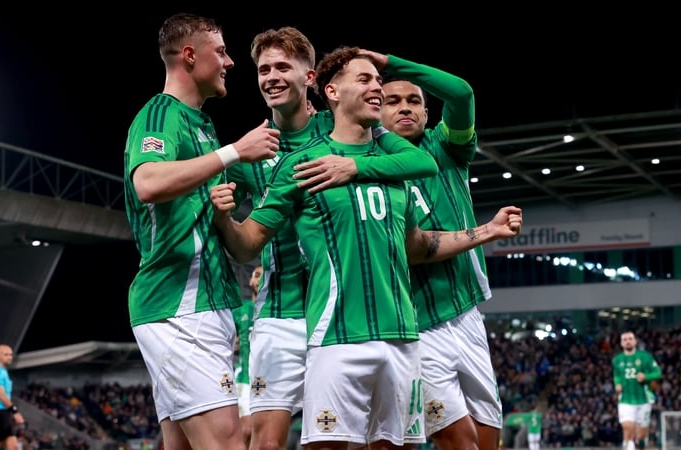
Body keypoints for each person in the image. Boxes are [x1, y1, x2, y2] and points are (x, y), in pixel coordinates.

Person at [212, 46, 521, 449]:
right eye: (369, 82)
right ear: (332, 92)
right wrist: (222, 216)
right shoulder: (301, 163)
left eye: (383, 84)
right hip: (339, 330)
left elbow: (417, 237)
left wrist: (486, 231)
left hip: (407, 333)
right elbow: (248, 240)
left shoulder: (402, 162)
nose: (379, 88)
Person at [225, 27, 443, 450]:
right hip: (282, 309)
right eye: (263, 69)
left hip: (349, 310)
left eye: (282, 67)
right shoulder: (255, 149)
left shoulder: (345, 127)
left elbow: (420, 161)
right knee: (268, 440)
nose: (271, 76)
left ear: (312, 81)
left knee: (361, 436)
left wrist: (353, 168)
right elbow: (243, 234)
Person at [122, 13, 280, 450]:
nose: (230, 61)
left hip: (205, 303)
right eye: (222, 51)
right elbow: (148, 182)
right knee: (229, 441)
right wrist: (235, 152)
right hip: (177, 304)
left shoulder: (203, 127)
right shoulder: (159, 114)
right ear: (190, 55)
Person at [358, 49, 522, 450]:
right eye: (392, 101)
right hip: (416, 323)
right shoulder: (370, 166)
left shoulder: (448, 150)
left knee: (488, 439)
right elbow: (413, 250)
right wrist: (486, 231)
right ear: (377, 112)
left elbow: (462, 93)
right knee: (457, 440)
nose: (405, 108)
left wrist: (390, 65)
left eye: (414, 101)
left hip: (467, 313)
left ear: (428, 114)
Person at [613, 330, 662, 450]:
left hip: (643, 398)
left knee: (641, 434)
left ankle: (641, 444)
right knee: (627, 428)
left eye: (630, 339)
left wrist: (646, 377)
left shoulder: (645, 357)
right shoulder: (617, 360)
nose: (628, 342)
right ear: (621, 343)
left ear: (635, 341)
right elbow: (617, 375)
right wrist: (617, 384)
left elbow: (658, 373)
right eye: (625, 340)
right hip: (625, 399)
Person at [234, 265, 260, 447]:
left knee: (260, 432)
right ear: (250, 280)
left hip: (265, 377)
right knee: (246, 429)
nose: (259, 279)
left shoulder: (273, 310)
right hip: (244, 376)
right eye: (257, 275)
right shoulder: (242, 309)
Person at [0, 344, 24, 450]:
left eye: (10, 354)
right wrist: (15, 411)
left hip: (5, 414)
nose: (9, 357)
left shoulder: (3, 371)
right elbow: (2, 396)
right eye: (6, 354)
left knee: (14, 447)